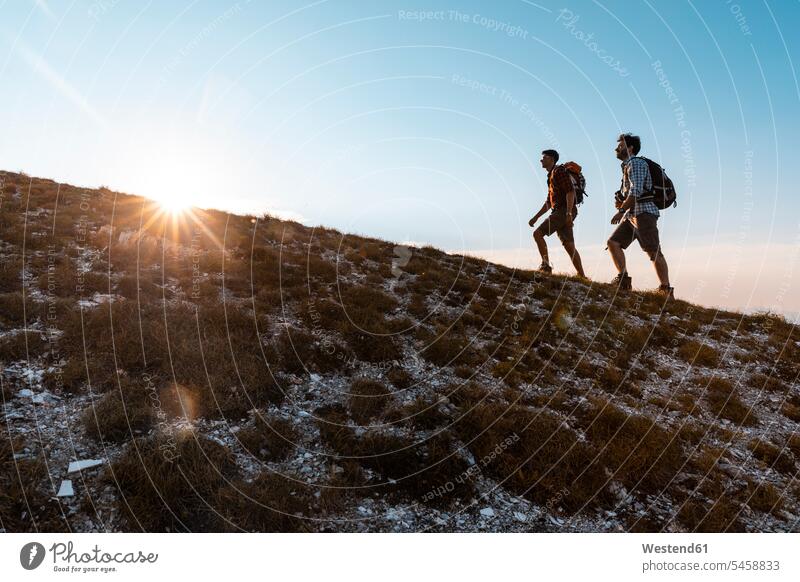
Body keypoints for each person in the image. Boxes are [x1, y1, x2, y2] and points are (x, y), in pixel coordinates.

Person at [607, 133, 674, 296]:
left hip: (644, 213)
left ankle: (665, 290)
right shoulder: (627, 166)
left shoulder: (635, 163)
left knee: (653, 251)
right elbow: (631, 192)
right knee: (613, 243)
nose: (617, 148)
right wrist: (623, 204)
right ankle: (623, 280)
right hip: (632, 216)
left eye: (621, 145)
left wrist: (621, 210)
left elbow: (636, 191)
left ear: (630, 148)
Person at [528, 149, 586, 277]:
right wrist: (535, 217)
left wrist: (568, 214)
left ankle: (545, 265)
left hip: (564, 211)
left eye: (544, 157)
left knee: (538, 234)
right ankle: (582, 275)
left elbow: (570, 192)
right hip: (563, 211)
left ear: (552, 160)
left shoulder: (558, 171)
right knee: (569, 245)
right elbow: (549, 202)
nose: (541, 160)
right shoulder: (551, 176)